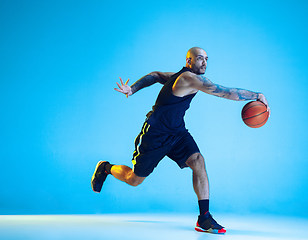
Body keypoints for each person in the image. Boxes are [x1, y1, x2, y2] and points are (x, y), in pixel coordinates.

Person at [91, 47, 270, 234]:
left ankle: (204, 218)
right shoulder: (189, 78)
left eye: (206, 59)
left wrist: (133, 88)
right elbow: (225, 92)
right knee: (134, 179)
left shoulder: (182, 76)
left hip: (177, 133)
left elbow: (155, 75)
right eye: (200, 58)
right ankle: (106, 167)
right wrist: (257, 96)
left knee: (198, 161)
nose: (204, 63)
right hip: (155, 134)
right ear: (189, 61)